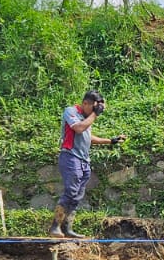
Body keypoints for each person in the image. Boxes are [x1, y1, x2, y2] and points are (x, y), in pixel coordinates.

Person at [50, 88, 126, 238]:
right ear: (85, 103)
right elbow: (78, 128)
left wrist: (111, 141)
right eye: (94, 107)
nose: (96, 111)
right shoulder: (71, 111)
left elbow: (88, 136)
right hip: (70, 157)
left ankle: (67, 229)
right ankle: (55, 227)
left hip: (84, 160)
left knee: (77, 195)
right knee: (71, 192)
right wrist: (94, 114)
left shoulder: (86, 117)